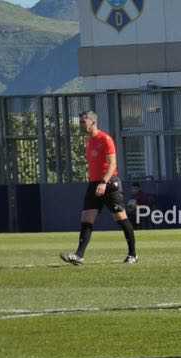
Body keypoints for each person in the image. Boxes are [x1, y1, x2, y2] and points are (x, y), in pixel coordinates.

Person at [60, 111, 137, 265]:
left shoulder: (105, 139)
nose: (81, 124)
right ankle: (79, 255)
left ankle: (133, 254)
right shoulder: (89, 141)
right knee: (86, 219)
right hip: (94, 184)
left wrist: (104, 182)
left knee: (121, 218)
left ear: (93, 122)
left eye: (83, 121)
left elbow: (113, 164)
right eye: (80, 122)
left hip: (109, 183)